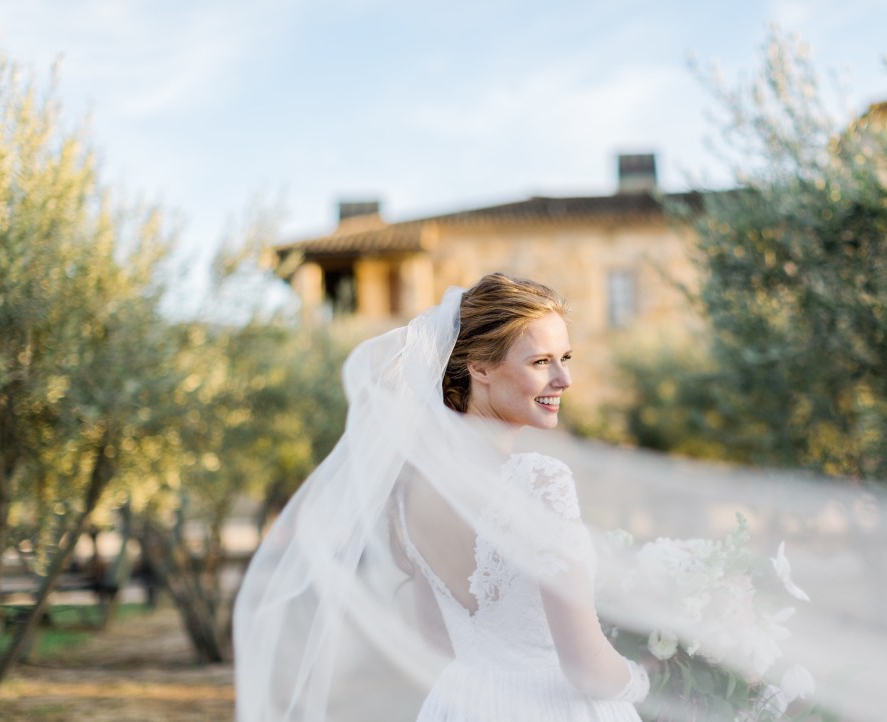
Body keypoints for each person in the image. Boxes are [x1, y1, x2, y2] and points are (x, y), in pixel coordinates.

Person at [234, 273, 648, 722]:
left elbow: (435, 636)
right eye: (541, 362)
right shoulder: (540, 481)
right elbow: (586, 668)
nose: (564, 378)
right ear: (480, 367)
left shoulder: (407, 488)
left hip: (461, 704)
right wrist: (647, 678)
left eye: (565, 358)